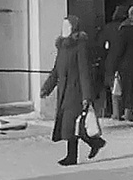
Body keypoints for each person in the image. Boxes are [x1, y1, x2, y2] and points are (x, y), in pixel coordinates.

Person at [41, 15, 107, 165]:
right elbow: (56, 71)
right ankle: (95, 143)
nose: (64, 29)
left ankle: (72, 156)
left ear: (73, 28)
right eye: (63, 25)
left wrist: (86, 96)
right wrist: (47, 88)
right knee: (71, 125)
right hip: (64, 92)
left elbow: (84, 72)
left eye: (67, 26)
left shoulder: (80, 46)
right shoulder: (62, 47)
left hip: (76, 91)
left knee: (70, 124)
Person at [96, 5, 128, 119]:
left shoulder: (108, 28)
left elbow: (100, 44)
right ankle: (127, 112)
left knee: (113, 87)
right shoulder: (128, 27)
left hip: (111, 60)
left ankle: (115, 113)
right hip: (127, 61)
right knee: (127, 87)